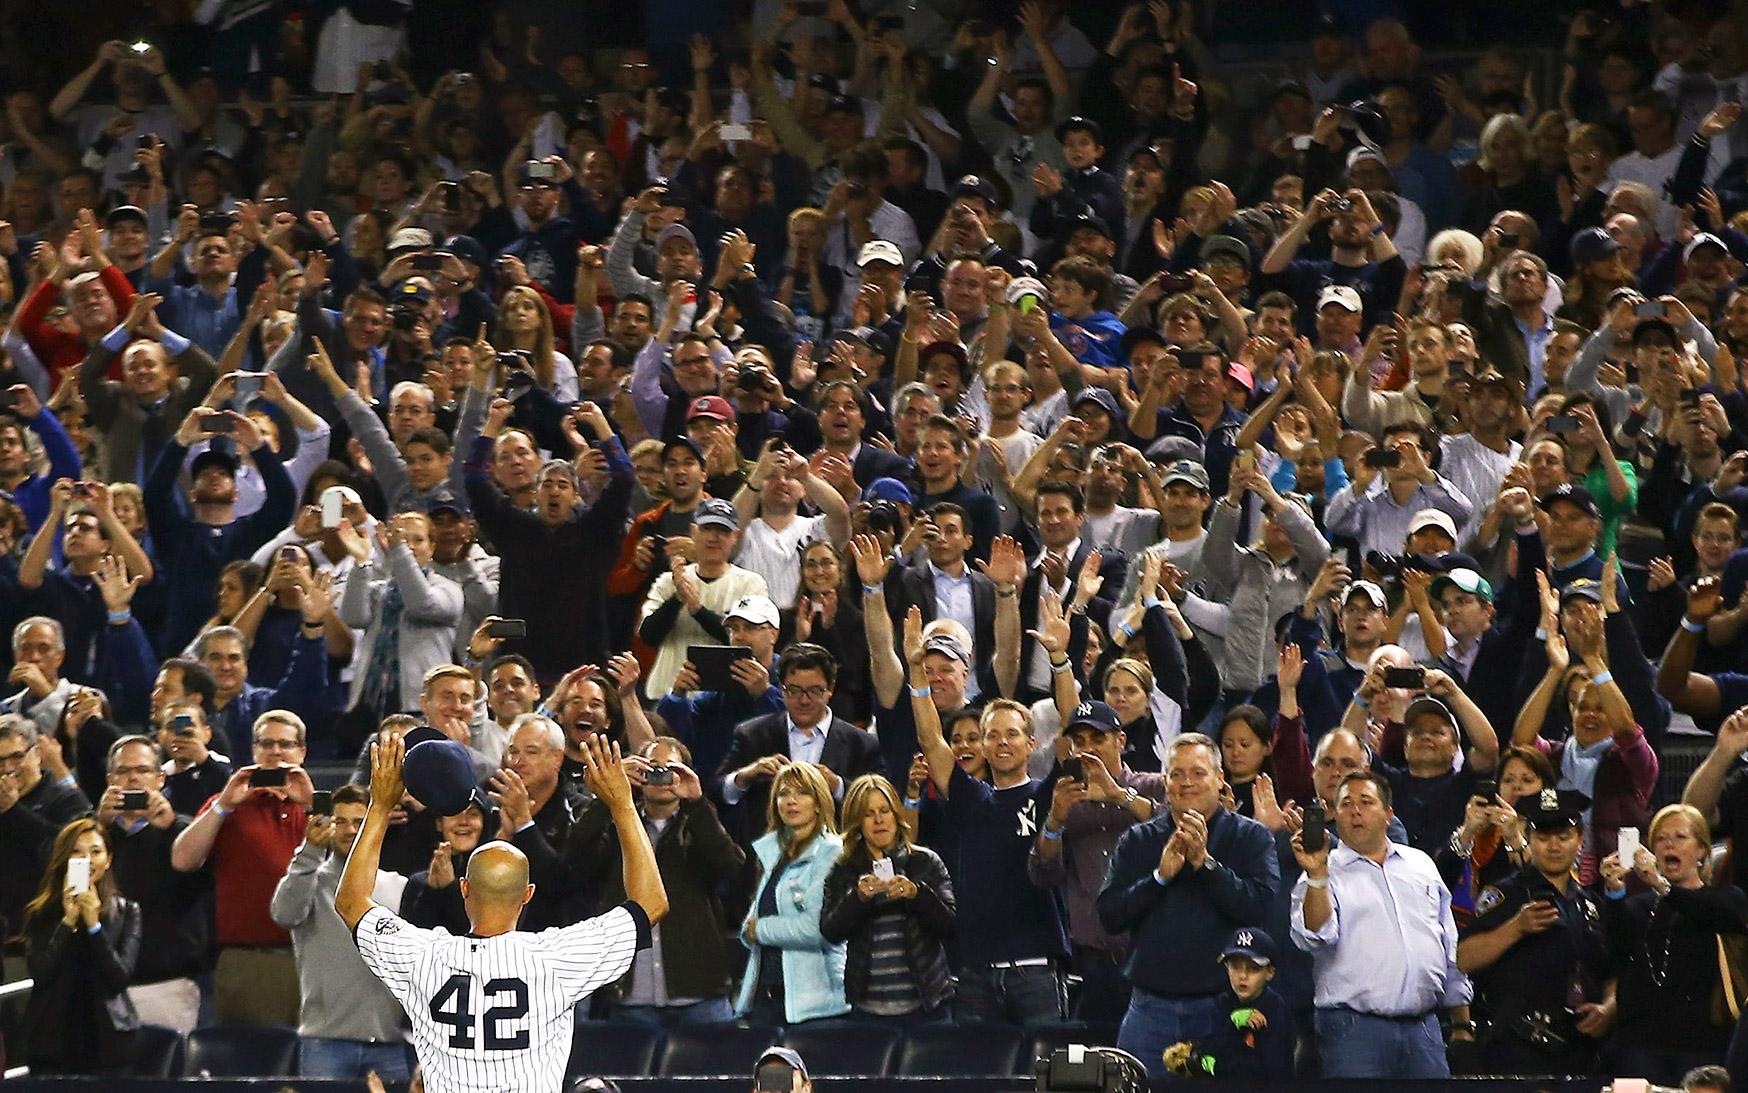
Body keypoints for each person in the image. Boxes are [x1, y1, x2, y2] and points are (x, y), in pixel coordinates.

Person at [337, 730, 667, 1093]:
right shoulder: (556, 958)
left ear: (464, 888)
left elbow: (351, 901)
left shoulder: (422, 956)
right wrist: (621, 803)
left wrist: (380, 805)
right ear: (527, 895)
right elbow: (651, 902)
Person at [1095, 733, 1277, 1076]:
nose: (1186, 783)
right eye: (1176, 774)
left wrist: (1205, 864)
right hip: (1150, 1010)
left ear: (1219, 778)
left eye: (1198, 773)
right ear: (1165, 781)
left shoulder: (1251, 838)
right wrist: (1159, 878)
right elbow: (1110, 915)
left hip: (1224, 1009)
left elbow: (1258, 909)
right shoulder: (1139, 840)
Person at [1291, 770, 1473, 1078]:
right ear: (1335, 816)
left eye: (1365, 801)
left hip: (1424, 1029)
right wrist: (1318, 875)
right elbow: (1315, 938)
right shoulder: (1322, 872)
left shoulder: (1421, 865)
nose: (1355, 811)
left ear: (1388, 814)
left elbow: (1447, 944)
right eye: (1346, 804)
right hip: (1354, 1031)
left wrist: (1461, 1022)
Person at [566, 737, 745, 1026]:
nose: (661, 778)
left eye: (670, 769)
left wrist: (697, 804)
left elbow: (730, 867)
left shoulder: (698, 822)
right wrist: (609, 796)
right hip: (630, 995)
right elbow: (575, 856)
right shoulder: (617, 824)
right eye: (652, 769)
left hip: (699, 994)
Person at [169, 709, 315, 1027]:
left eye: (286, 744)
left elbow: (346, 859)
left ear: (301, 752)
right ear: (253, 751)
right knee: (256, 1064)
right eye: (267, 743)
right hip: (250, 961)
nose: (276, 751)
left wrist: (311, 804)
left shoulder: (320, 804)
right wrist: (224, 804)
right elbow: (182, 859)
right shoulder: (227, 805)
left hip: (316, 957)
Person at [1456, 788, 1613, 1075]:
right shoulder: (1505, 893)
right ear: (1528, 839)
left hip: (1581, 1050)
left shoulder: (1591, 902)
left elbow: (1613, 969)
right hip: (1519, 1049)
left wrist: (1609, 1007)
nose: (1554, 847)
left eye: (1564, 837)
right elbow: (1463, 958)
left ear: (1581, 841)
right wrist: (1515, 928)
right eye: (1543, 838)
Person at [270, 784, 412, 1079]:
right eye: (341, 821)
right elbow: (283, 914)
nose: (350, 830)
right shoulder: (309, 881)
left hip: (390, 1042)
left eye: (360, 822)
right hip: (325, 1042)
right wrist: (309, 853)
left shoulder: (399, 886)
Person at [1599, 803, 1748, 1084]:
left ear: (1702, 850)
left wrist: (1662, 886)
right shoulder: (1638, 907)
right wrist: (1614, 893)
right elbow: (1615, 949)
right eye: (1661, 838)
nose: (1670, 844)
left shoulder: (1727, 898)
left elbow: (1711, 912)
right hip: (1638, 1047)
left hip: (1703, 1048)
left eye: (1680, 837)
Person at [98, 734, 211, 1034]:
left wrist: (171, 828)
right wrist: (98, 827)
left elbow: (204, 884)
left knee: (167, 1075)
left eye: (143, 770)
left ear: (160, 779)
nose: (133, 778)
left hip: (166, 983)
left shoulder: (186, 832)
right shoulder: (93, 837)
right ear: (110, 779)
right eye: (123, 771)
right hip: (103, 985)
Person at [821, 774, 957, 1024]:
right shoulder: (844, 869)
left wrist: (917, 893)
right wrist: (858, 898)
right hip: (869, 1012)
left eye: (884, 810)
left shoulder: (924, 862)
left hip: (927, 1008)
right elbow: (830, 931)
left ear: (896, 814)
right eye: (868, 813)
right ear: (857, 822)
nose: (879, 820)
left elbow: (949, 923)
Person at [19, 818, 142, 1075]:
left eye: (95, 852)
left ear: (108, 860)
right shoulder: (40, 914)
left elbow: (118, 978)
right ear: (63, 859)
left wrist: (94, 925)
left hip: (108, 1042)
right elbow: (40, 973)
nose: (86, 860)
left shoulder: (128, 912)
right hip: (52, 1041)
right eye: (76, 852)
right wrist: (68, 921)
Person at [734, 761, 850, 1025]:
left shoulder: (831, 852)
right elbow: (752, 920)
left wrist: (760, 930)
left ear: (819, 802)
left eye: (802, 793)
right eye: (783, 794)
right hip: (765, 999)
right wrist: (749, 930)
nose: (791, 801)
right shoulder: (771, 852)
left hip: (816, 1006)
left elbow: (817, 929)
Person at [1165, 928, 1295, 1078]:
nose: (1243, 976)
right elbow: (1208, 1050)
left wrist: (1219, 1067)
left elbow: (1270, 1071)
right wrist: (1232, 1025)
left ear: (1270, 972)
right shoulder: (1223, 1003)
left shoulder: (1275, 1010)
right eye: (1235, 967)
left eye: (1253, 969)